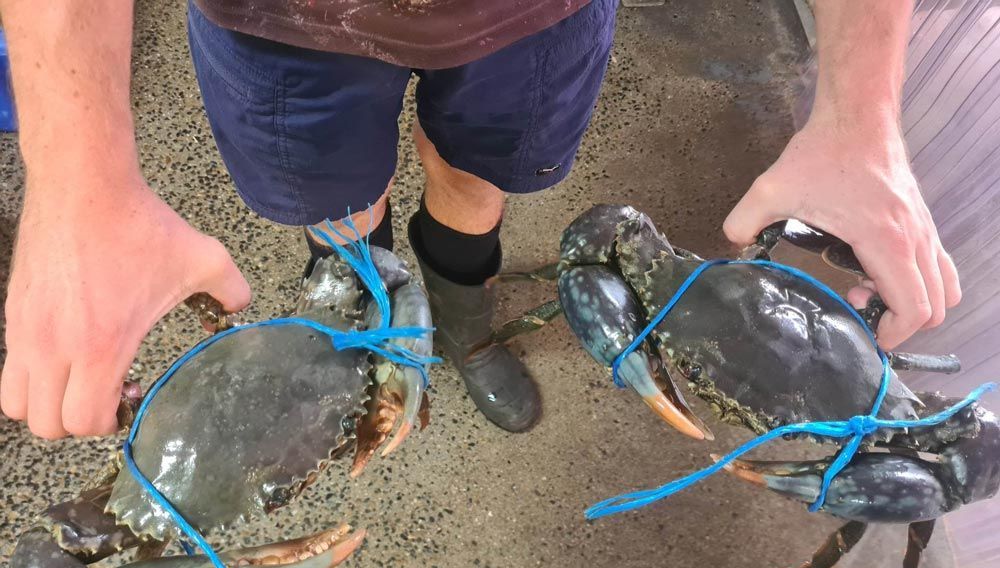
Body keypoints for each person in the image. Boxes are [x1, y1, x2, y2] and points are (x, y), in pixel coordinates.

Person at [0, 0, 961, 440]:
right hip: (277, 22)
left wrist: (860, 114)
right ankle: (375, 333)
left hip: (537, 15)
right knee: (340, 206)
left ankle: (462, 319)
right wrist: (78, 180)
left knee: (477, 176)